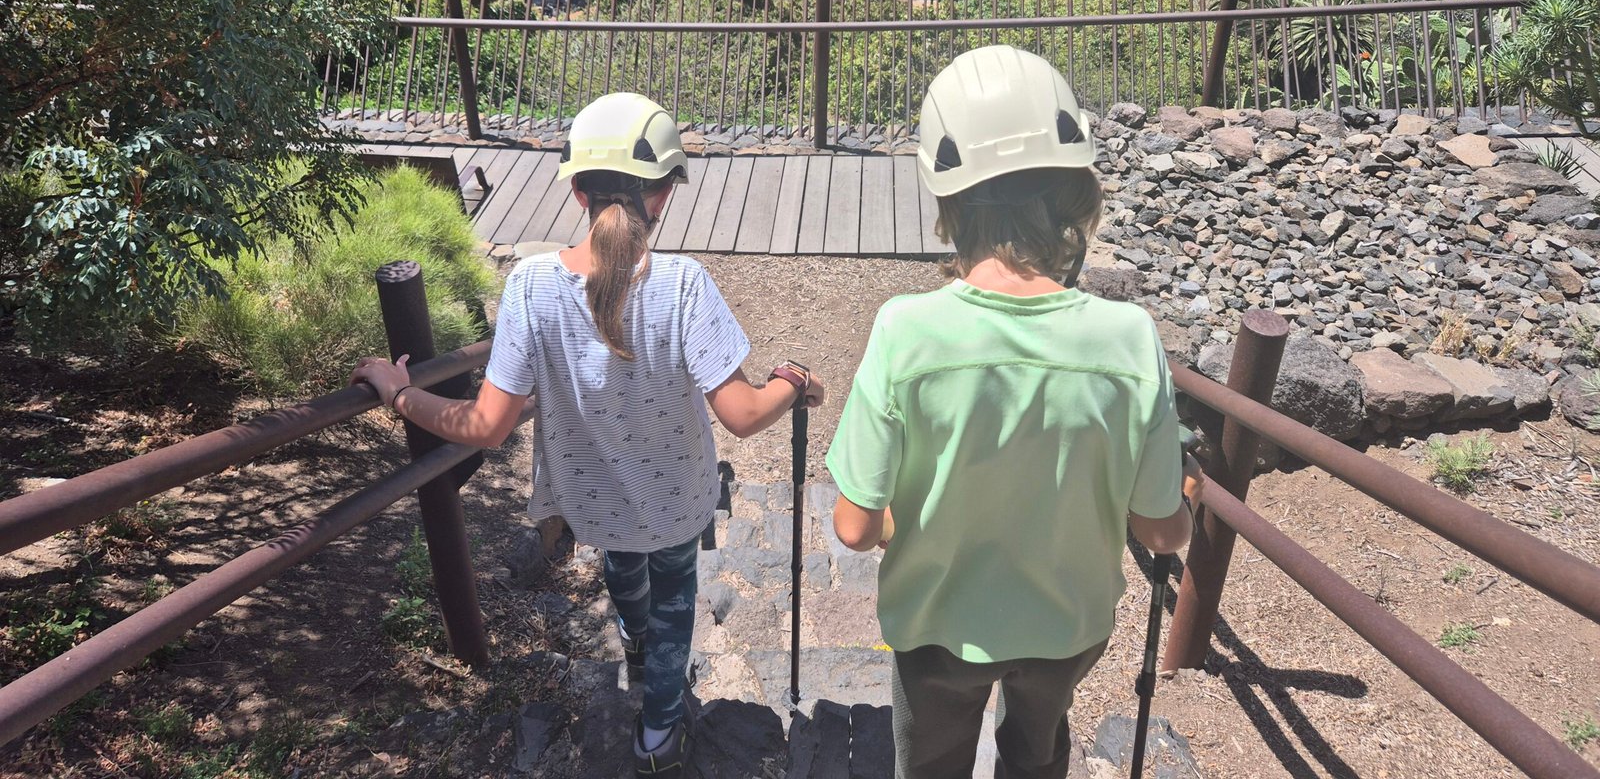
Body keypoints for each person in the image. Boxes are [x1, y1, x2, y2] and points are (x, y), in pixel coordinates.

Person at [351, 92, 825, 777]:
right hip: (676, 501)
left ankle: (634, 645)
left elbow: (485, 426)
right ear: (662, 195)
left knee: (624, 572)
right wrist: (792, 379)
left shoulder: (531, 287)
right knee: (674, 603)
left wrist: (400, 393)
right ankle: (658, 736)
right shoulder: (684, 285)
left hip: (591, 501)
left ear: (576, 190)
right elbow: (744, 414)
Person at [824, 45, 1202, 779]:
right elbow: (1162, 532)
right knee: (1037, 752)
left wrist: (912, 524)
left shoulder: (906, 331)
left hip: (935, 628)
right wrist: (1185, 495)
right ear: (1072, 192)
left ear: (947, 199)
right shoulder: (1129, 340)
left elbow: (855, 526)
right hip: (1065, 630)